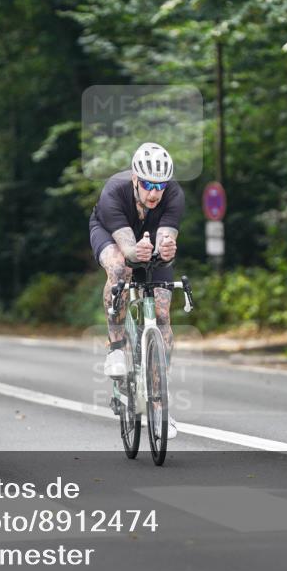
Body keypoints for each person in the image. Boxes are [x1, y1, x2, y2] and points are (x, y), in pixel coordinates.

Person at [88, 142, 185, 439]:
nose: (154, 192)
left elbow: (166, 241)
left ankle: (159, 404)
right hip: (112, 235)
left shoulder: (174, 195)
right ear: (134, 179)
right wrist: (135, 251)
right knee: (120, 269)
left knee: (162, 313)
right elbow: (129, 250)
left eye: (160, 185)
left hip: (149, 241)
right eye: (147, 184)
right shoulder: (113, 192)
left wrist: (166, 249)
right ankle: (117, 348)